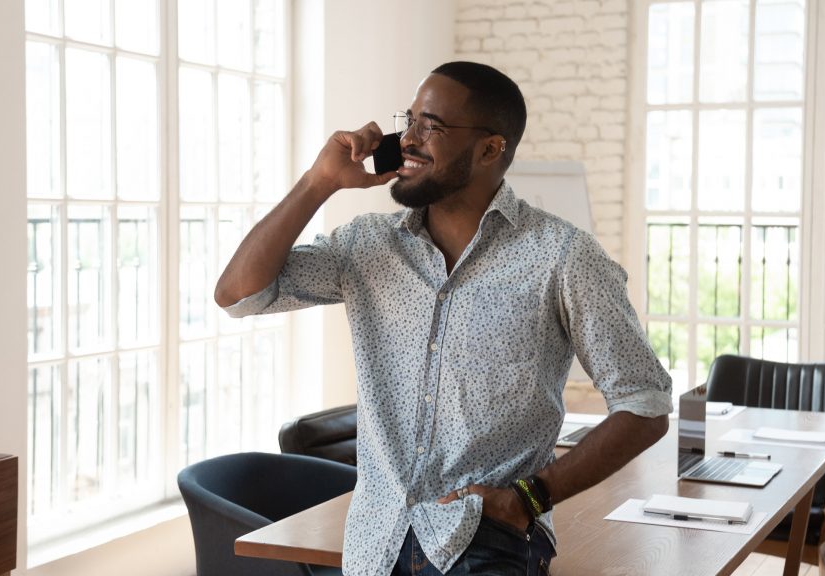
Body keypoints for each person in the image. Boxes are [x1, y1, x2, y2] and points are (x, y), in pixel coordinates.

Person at [215, 61, 673, 576]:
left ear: (489, 149)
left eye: (429, 126)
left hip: (486, 545)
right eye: (407, 120)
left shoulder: (563, 257)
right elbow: (239, 295)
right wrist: (319, 182)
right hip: (373, 548)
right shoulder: (367, 245)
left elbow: (646, 404)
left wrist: (530, 497)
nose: (407, 140)